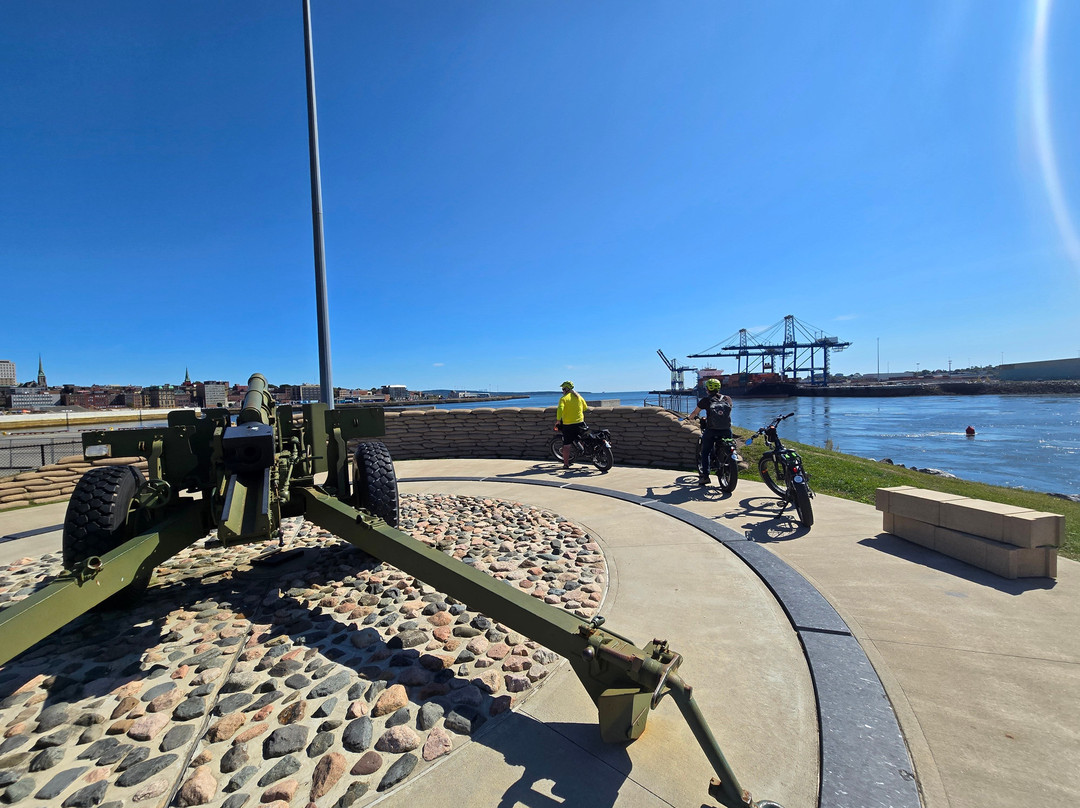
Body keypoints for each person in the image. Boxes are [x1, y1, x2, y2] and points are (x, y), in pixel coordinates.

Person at [689, 378, 733, 486]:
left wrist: (690, 418)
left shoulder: (706, 400)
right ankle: (727, 467)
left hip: (711, 430)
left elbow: (695, 412)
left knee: (705, 452)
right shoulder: (727, 399)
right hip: (726, 430)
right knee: (728, 447)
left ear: (707, 388)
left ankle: (705, 477)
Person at [555, 380, 588, 469]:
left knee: (567, 445)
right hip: (580, 423)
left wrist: (558, 420)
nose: (562, 391)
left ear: (566, 389)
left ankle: (566, 464)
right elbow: (585, 407)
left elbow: (560, 409)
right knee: (582, 438)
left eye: (562, 389)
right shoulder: (579, 397)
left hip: (568, 424)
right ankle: (582, 451)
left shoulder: (564, 399)